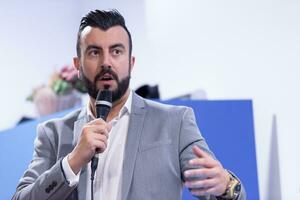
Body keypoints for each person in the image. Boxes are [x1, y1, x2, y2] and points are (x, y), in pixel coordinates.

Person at [13, 9, 246, 200]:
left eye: (116, 51)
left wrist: (226, 186)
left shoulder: (175, 122)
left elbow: (218, 189)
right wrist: (72, 161)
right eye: (94, 52)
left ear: (131, 62)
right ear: (78, 65)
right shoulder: (52, 134)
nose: (106, 62)